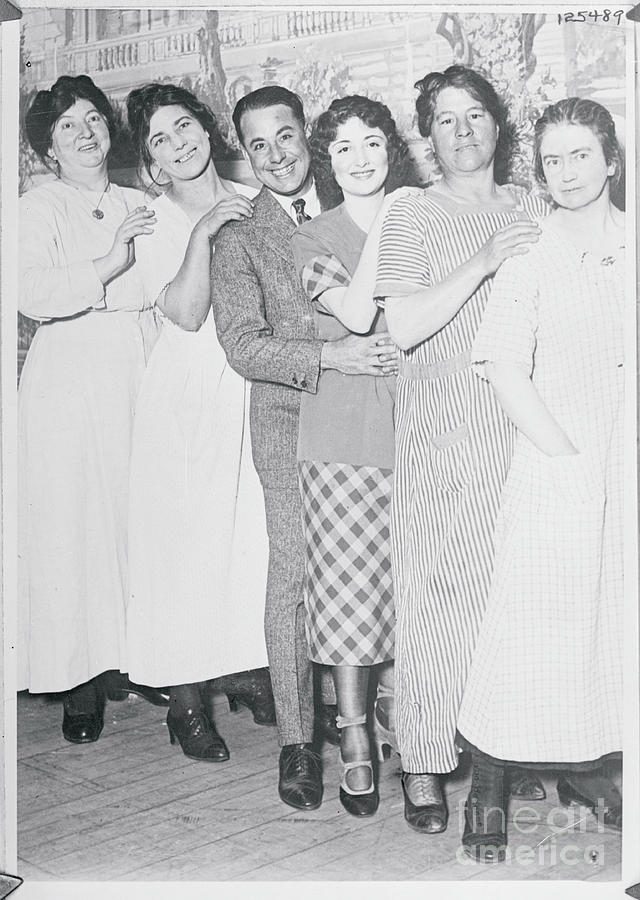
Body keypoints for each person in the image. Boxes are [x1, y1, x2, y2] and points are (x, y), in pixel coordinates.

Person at [210, 86, 396, 811]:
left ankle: (394, 726)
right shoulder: (240, 236)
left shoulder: (357, 199)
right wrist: (332, 360)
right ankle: (298, 742)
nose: (275, 155)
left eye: (285, 136)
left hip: (376, 415)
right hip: (291, 416)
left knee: (383, 570)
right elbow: (243, 344)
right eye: (257, 145)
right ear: (245, 154)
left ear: (305, 137)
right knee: (294, 574)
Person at [374, 65, 548, 833]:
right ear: (429, 136)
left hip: (527, 427)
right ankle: (421, 762)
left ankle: (504, 753)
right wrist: (482, 260)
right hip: (446, 428)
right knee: (438, 600)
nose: (464, 131)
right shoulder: (414, 210)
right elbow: (402, 326)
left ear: (497, 125)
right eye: (447, 120)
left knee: (514, 600)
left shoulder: (534, 204)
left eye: (476, 115)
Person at [456, 97, 624, 862]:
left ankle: (588, 763)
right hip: (554, 462)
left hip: (626, 468)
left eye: (580, 155)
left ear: (612, 159)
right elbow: (501, 367)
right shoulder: (528, 248)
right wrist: (566, 459)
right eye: (552, 160)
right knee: (525, 634)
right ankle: (487, 784)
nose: (566, 172)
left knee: (608, 630)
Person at [124, 83, 276, 762]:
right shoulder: (154, 221)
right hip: (185, 397)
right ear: (152, 159)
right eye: (160, 138)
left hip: (247, 387)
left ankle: (247, 669)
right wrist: (206, 229)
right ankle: (185, 704)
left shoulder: (255, 197)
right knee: (183, 553)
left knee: (249, 543)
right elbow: (184, 314)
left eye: (184, 126)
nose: (179, 143)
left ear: (207, 130)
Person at [18, 75, 163, 743]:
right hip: (69, 373)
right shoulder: (38, 206)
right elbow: (29, 292)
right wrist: (107, 262)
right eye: (68, 125)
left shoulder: (141, 199)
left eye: (93, 118)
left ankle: (126, 661)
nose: (85, 131)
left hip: (137, 360)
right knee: (73, 524)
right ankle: (78, 681)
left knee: (133, 517)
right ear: (48, 149)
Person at [290, 95, 413, 816]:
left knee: (411, 593)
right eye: (343, 148)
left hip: (420, 430)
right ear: (327, 161)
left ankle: (413, 730)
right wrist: (392, 220)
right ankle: (357, 738)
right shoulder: (314, 237)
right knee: (347, 600)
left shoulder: (425, 216)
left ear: (390, 148)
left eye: (372, 143)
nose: (360, 158)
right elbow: (359, 315)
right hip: (339, 439)